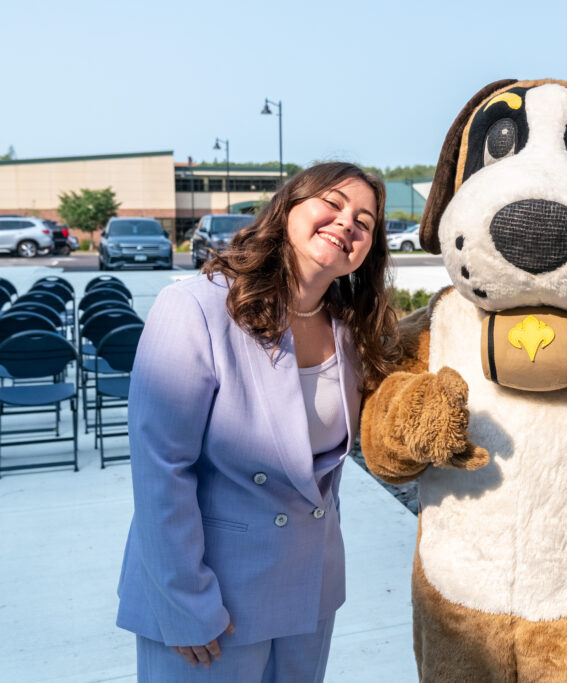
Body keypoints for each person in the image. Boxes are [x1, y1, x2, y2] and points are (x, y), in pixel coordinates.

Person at [116, 162, 397, 681]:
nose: (346, 223)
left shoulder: (350, 328)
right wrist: (185, 602)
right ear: (287, 208)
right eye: (332, 204)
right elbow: (160, 470)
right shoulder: (196, 307)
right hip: (211, 599)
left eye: (365, 220)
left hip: (308, 592)